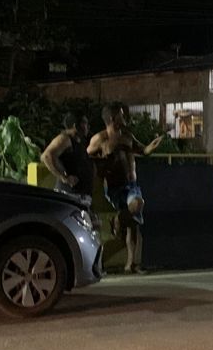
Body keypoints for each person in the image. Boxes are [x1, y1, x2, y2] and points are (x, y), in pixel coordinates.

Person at [86, 102, 164, 274]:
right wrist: (103, 163)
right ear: (113, 118)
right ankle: (117, 221)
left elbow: (142, 150)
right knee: (133, 213)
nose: (125, 116)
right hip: (114, 187)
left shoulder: (127, 135)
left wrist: (152, 145)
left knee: (135, 214)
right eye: (122, 114)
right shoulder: (100, 138)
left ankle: (130, 263)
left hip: (132, 185)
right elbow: (88, 156)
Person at [40, 112, 93, 203]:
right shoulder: (64, 139)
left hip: (81, 196)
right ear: (75, 125)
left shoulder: (79, 141)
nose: (88, 126)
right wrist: (64, 178)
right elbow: (46, 156)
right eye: (85, 123)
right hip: (70, 195)